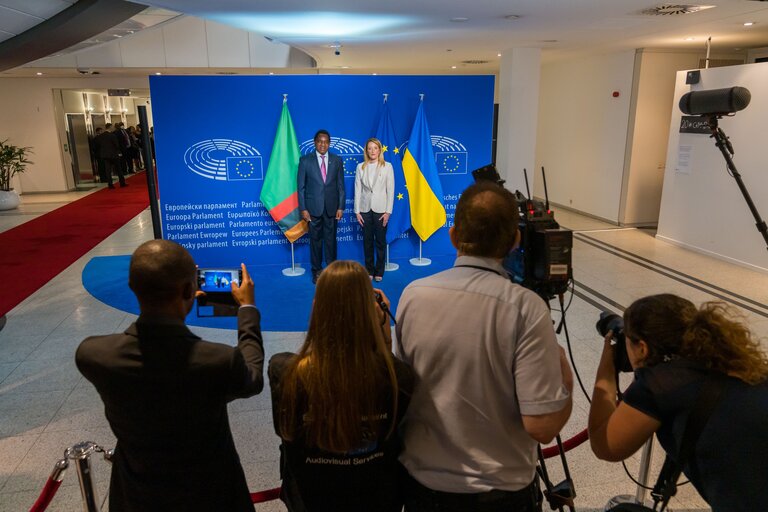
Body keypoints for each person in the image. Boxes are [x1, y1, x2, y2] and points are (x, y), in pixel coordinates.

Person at [396, 181, 573, 512]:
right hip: (502, 495)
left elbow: (403, 392)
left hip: (423, 491)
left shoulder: (412, 295)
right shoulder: (527, 308)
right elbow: (542, 426)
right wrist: (566, 380)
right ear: (515, 240)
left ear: (452, 236)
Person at [75, 240, 264, 511]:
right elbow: (253, 378)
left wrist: (180, 306)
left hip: (137, 498)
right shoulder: (219, 360)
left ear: (132, 287)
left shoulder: (94, 355)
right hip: (212, 497)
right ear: (190, 289)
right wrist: (247, 310)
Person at [588, 294, 768, 512]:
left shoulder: (661, 383)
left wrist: (607, 366)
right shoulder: (731, 363)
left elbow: (605, 446)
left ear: (643, 348)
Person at [269, 260, 414, 511]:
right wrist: (382, 330)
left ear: (316, 308)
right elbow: (388, 374)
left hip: (311, 500)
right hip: (378, 499)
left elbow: (285, 431)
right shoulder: (398, 378)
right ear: (373, 313)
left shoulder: (284, 372)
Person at [297, 129, 345, 284]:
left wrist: (341, 207)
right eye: (320, 141)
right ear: (315, 142)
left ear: (329, 143)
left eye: (326, 142)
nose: (323, 144)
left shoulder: (337, 160)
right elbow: (301, 187)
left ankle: (332, 271)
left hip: (332, 208)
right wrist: (303, 209)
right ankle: (316, 271)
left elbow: (341, 186)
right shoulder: (305, 160)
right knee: (315, 242)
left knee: (331, 242)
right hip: (313, 209)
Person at [354, 137, 394, 282]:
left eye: (375, 148)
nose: (372, 151)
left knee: (380, 242)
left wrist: (388, 212)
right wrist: (357, 211)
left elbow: (391, 190)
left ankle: (379, 271)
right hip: (365, 209)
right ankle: (369, 270)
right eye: (369, 148)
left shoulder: (387, 166)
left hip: (381, 209)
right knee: (367, 241)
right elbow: (357, 190)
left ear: (380, 150)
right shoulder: (360, 167)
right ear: (366, 150)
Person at [95, 123, 125, 188]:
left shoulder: (100, 136)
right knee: (118, 169)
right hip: (113, 154)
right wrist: (119, 152)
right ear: (110, 127)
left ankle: (110, 184)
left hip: (105, 155)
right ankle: (122, 183)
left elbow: (98, 145)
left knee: (108, 170)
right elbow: (116, 145)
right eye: (112, 127)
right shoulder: (112, 135)